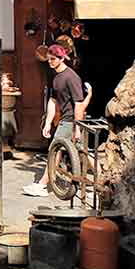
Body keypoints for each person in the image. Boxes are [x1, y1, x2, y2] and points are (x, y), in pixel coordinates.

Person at [23, 44, 87, 197]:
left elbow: (79, 103)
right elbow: (52, 101)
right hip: (64, 117)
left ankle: (43, 184)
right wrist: (47, 123)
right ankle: (100, 181)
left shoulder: (71, 77)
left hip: (72, 119)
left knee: (55, 148)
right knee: (83, 153)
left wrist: (77, 127)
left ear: (61, 58)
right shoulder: (54, 76)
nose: (49, 62)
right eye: (48, 59)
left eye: (52, 59)